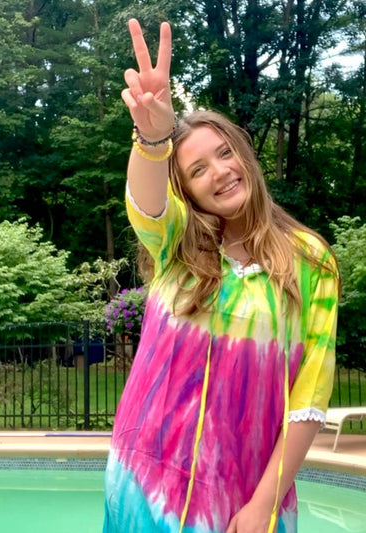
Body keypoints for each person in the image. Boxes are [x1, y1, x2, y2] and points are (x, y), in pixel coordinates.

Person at [103, 18, 340, 533]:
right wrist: (152, 137)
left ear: (245, 155)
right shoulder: (176, 246)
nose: (220, 172)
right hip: (145, 487)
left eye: (225, 153)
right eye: (197, 169)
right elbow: (144, 203)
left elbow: (309, 395)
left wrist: (265, 504)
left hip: (246, 493)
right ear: (185, 189)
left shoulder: (310, 259)